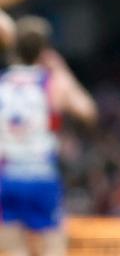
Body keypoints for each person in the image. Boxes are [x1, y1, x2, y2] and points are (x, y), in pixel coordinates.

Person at [0, 16, 97, 256]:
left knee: (13, 250)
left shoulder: (2, 84)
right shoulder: (52, 83)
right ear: (44, 50)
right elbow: (88, 112)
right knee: (52, 249)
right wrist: (61, 69)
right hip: (40, 175)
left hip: (7, 176)